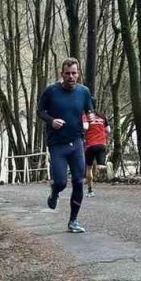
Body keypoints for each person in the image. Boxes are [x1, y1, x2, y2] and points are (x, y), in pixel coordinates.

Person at [38, 57, 95, 233]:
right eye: (68, 73)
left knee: (79, 181)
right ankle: (55, 192)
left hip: (77, 141)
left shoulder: (83, 92)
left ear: (78, 74)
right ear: (62, 74)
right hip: (57, 143)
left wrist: (91, 116)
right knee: (61, 182)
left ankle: (73, 221)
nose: (71, 76)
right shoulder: (51, 91)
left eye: (74, 73)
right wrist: (51, 120)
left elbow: (89, 109)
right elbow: (40, 111)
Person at [82, 106, 111, 197]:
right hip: (102, 144)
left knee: (89, 168)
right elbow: (108, 130)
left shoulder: (85, 116)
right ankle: (108, 169)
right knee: (100, 165)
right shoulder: (102, 116)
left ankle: (90, 190)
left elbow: (85, 127)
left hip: (90, 145)